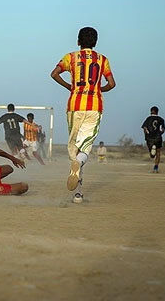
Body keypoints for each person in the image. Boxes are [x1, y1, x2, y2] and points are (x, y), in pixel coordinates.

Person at [50, 27, 116, 203]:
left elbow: (54, 74)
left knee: (75, 148)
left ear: (78, 41)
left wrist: (69, 87)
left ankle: (78, 193)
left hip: (74, 106)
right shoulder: (103, 60)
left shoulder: (70, 57)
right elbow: (112, 84)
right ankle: (78, 189)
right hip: (94, 106)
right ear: (95, 42)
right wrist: (98, 90)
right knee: (85, 148)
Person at [141, 106, 165, 173]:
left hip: (149, 138)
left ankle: (152, 151)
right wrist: (160, 134)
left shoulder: (148, 119)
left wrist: (146, 137)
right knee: (158, 153)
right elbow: (163, 129)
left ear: (151, 111)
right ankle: (156, 168)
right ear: (157, 112)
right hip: (158, 138)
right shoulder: (161, 119)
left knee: (152, 155)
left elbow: (144, 128)